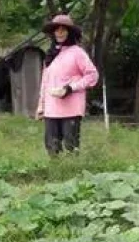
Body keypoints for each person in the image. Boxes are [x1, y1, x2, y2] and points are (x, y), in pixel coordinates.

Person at [36, 15, 99, 154]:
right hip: (51, 109)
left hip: (71, 108)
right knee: (52, 147)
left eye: (63, 29)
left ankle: (74, 173)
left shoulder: (78, 53)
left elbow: (93, 76)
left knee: (71, 147)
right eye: (56, 29)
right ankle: (56, 174)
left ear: (70, 32)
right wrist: (41, 106)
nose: (60, 32)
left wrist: (70, 88)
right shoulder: (50, 55)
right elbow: (45, 82)